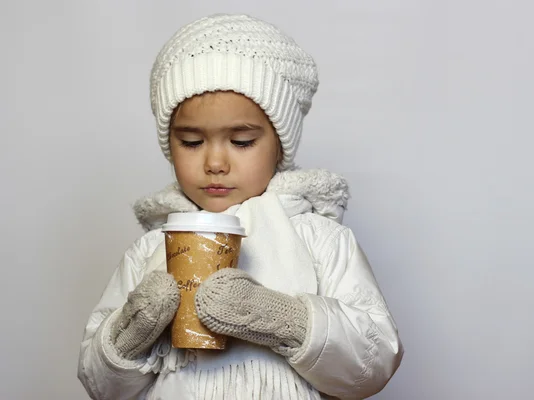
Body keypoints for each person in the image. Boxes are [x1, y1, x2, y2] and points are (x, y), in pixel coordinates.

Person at [77, 13, 403, 400]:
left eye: (242, 141)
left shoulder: (319, 239)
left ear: (280, 145)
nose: (215, 163)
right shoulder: (152, 250)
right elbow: (101, 386)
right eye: (192, 142)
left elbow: (374, 362)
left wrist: (283, 319)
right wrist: (129, 335)